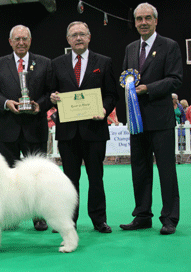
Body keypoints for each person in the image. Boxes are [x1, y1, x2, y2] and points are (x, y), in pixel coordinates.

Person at [119, 3, 182, 235]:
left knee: (167, 170)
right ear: (134, 23)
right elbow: (127, 80)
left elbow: (175, 79)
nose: (143, 22)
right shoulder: (130, 48)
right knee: (140, 169)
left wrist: (148, 88)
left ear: (156, 21)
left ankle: (169, 218)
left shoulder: (170, 46)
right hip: (137, 122)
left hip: (161, 120)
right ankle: (143, 215)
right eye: (139, 19)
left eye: (147, 18)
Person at [50, 21, 119, 233]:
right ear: (68, 39)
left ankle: (99, 220)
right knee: (69, 180)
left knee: (96, 177)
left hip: (95, 130)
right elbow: (52, 92)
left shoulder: (104, 62)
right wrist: (53, 97)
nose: (78, 38)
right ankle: (69, 220)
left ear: (89, 37)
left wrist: (104, 110)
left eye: (82, 34)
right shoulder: (57, 63)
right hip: (68, 132)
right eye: (74, 35)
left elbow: (111, 95)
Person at [0, 25, 52, 231]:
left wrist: (40, 105)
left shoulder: (44, 63)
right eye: (17, 39)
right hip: (7, 129)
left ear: (30, 41)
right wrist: (7, 104)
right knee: (6, 178)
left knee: (37, 177)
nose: (21, 42)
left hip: (35, 128)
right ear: (10, 41)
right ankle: (10, 216)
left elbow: (51, 92)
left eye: (25, 38)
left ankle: (39, 215)